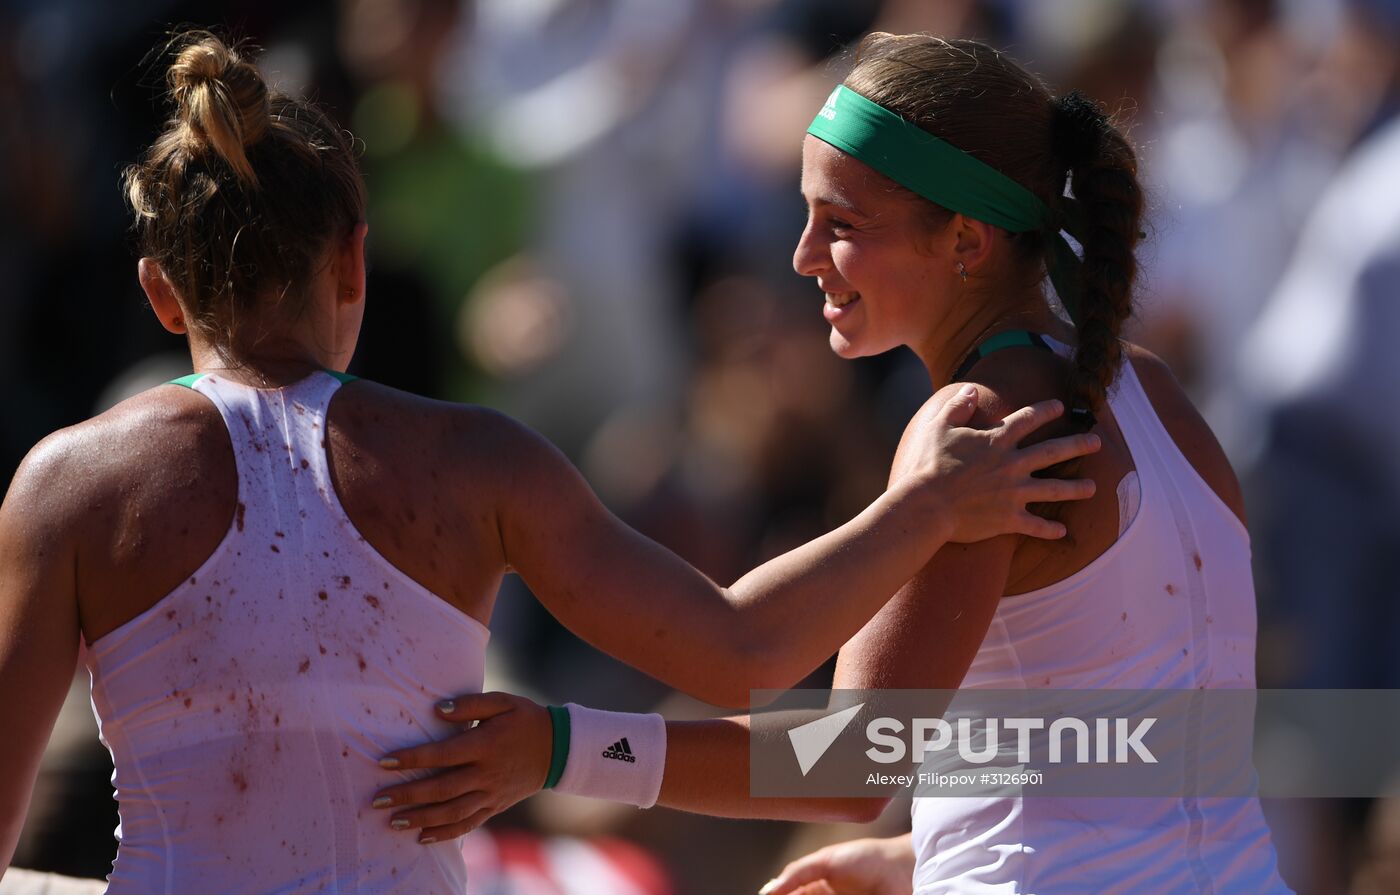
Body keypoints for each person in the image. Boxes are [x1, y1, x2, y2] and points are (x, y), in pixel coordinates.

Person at [0, 31, 1101, 892]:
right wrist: (923, 508)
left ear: (158, 289)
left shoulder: (66, 485)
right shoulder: (479, 465)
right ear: (354, 264)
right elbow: (744, 652)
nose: (807, 257)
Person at [382, 33, 1294, 894]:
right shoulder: (1161, 398)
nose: (802, 255)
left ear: (967, 242)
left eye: (841, 222)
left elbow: (853, 759)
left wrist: (556, 746)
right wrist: (921, 849)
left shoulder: (976, 427)